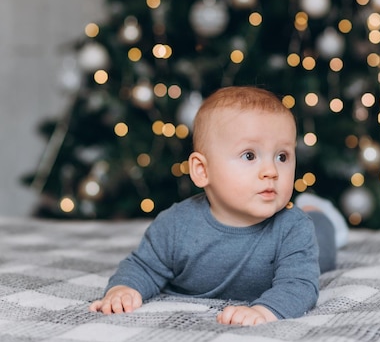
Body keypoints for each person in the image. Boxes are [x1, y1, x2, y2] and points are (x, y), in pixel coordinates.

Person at [89, 86, 348, 326]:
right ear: (202, 170)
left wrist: (264, 311)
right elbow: (143, 266)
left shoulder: (293, 227)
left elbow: (299, 285)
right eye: (249, 155)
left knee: (322, 242)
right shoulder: (176, 225)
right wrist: (123, 289)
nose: (271, 171)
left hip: (310, 234)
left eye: (282, 156)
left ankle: (318, 211)